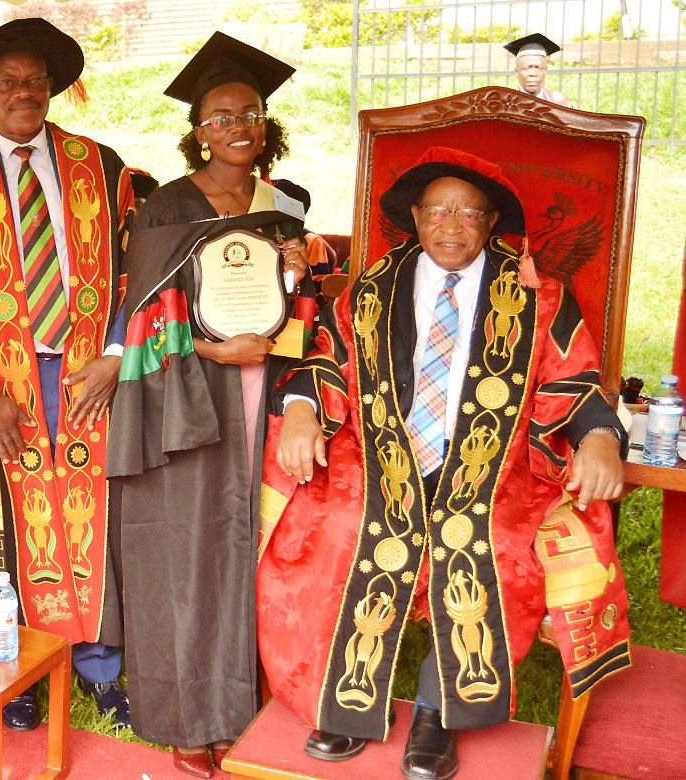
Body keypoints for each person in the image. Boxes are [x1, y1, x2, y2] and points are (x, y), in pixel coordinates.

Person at [262, 146, 629, 780]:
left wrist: (599, 436)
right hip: (382, 457)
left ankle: (439, 709)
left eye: (469, 213)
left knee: (487, 541)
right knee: (339, 528)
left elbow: (574, 380)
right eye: (438, 210)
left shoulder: (539, 295)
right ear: (415, 216)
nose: (451, 226)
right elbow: (329, 360)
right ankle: (342, 698)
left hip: (493, 463)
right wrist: (300, 408)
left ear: (492, 223)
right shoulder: (372, 289)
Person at [106, 33, 311, 778]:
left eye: (249, 114)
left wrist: (301, 273)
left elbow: (307, 306)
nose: (237, 127)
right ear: (199, 131)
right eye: (221, 116)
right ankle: (190, 719)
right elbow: (143, 317)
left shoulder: (284, 206)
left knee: (254, 548)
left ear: (266, 125)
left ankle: (254, 709)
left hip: (270, 391)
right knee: (189, 553)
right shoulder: (165, 208)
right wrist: (209, 349)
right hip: (190, 396)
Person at [0, 17, 133, 731]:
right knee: (10, 527)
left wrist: (117, 352)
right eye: (8, 83)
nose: (24, 93)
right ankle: (15, 671)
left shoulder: (101, 166)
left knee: (93, 515)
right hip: (2, 379)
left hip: (89, 369)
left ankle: (99, 667)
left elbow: (134, 272)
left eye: (36, 82)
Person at [504, 33, 573, 107]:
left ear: (545, 70)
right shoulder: (505, 104)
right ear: (516, 71)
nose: (533, 74)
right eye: (527, 68)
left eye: (538, 67)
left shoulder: (559, 103)